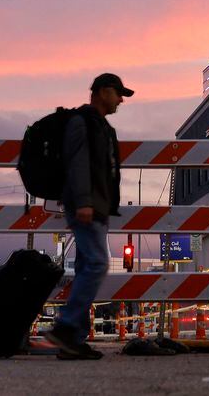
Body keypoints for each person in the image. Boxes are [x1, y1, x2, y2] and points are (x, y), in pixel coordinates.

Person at [44, 72, 132, 360]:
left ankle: (73, 342)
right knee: (96, 264)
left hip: (98, 207)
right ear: (103, 91)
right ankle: (66, 328)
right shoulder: (82, 122)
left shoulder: (102, 127)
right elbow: (78, 163)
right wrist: (83, 202)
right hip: (86, 206)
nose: (121, 100)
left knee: (86, 267)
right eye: (118, 93)